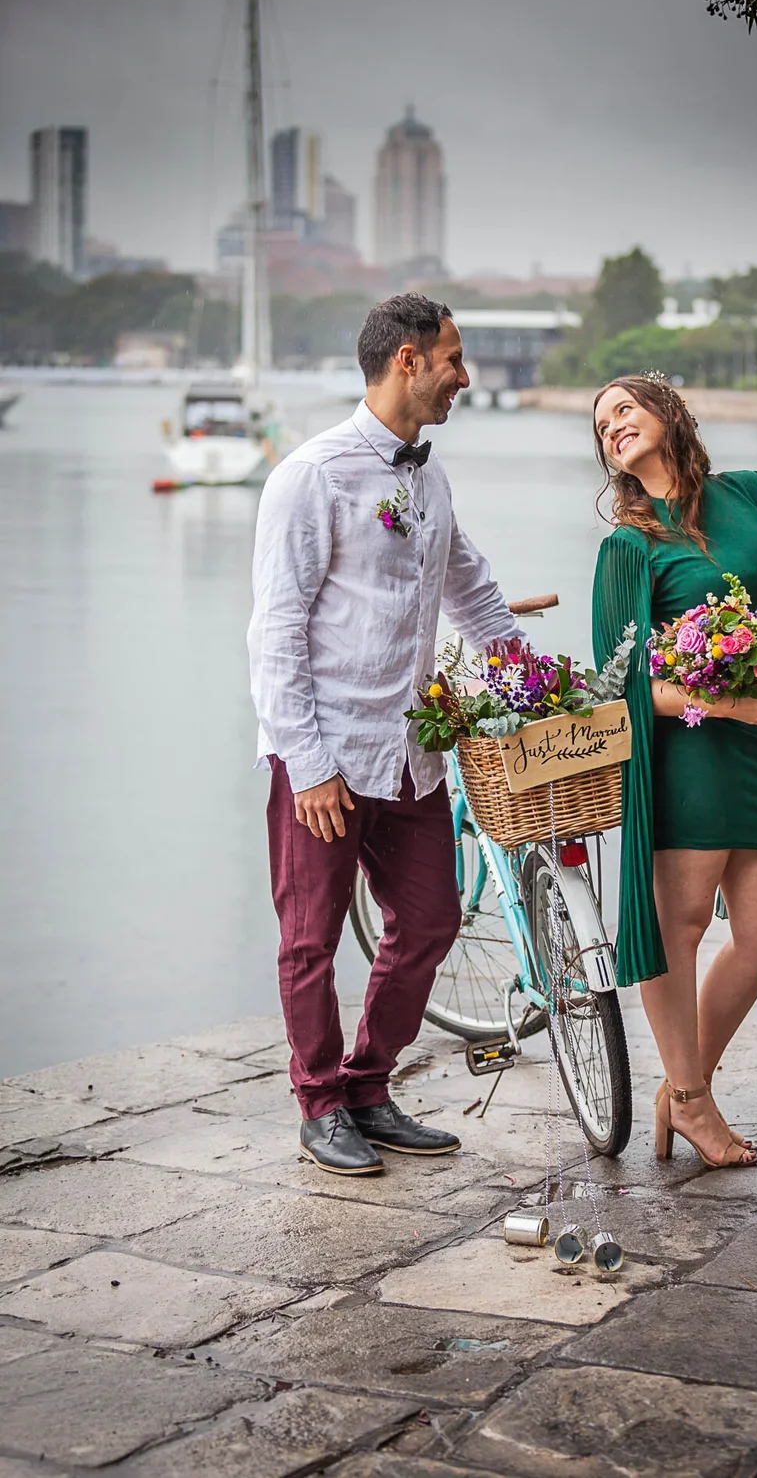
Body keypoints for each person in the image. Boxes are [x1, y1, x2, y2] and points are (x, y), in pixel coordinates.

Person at [248, 294, 523, 1176]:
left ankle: (369, 1086)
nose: (464, 376)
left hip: (412, 755)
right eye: (453, 358)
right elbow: (276, 632)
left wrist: (535, 681)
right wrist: (309, 765)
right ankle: (319, 1101)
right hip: (326, 759)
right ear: (408, 361)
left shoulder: (429, 477)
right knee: (310, 940)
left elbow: (472, 591)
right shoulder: (312, 477)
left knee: (433, 919)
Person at [591, 374, 757, 1169]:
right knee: (683, 928)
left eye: (624, 408)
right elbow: (620, 684)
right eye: (600, 426)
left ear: (668, 414)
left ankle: (679, 1086)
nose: (612, 427)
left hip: (756, 738)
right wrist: (722, 704)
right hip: (687, 754)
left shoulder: (752, 496)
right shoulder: (627, 546)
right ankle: (693, 1100)